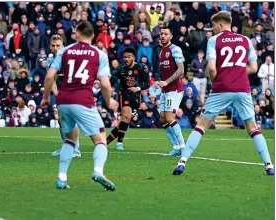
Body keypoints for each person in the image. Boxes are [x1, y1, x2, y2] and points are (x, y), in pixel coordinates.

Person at [173, 11, 274, 176]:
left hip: (221, 88)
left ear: (221, 25)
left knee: (201, 126)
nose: (212, 30)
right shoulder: (246, 40)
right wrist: (238, 73)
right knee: (253, 128)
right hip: (242, 88)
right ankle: (269, 165)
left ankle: (182, 162)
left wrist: (217, 81)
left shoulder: (214, 40)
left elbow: (211, 68)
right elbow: (254, 68)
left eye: (213, 26)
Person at [40, 21, 118, 191]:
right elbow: (105, 84)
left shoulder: (64, 51)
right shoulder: (99, 54)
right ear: (93, 36)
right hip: (83, 100)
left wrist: (46, 97)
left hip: (63, 101)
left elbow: (49, 77)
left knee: (70, 139)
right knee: (100, 140)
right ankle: (98, 171)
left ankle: (61, 177)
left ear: (76, 34)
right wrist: (109, 101)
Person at [107, 47, 149, 150]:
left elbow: (147, 83)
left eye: (129, 57)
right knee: (125, 116)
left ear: (134, 57)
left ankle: (105, 142)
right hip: (124, 94)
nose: (126, 59)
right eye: (125, 57)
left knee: (125, 121)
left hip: (136, 97)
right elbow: (111, 81)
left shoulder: (141, 67)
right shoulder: (120, 68)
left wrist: (137, 88)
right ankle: (119, 143)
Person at [48, 35, 81, 158]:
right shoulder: (50, 60)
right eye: (53, 45)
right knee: (61, 120)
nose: (56, 48)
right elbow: (52, 79)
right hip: (62, 91)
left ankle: (76, 150)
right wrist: (57, 94)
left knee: (71, 120)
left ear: (63, 46)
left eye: (58, 45)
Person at [157, 26, 186, 156]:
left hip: (174, 89)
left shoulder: (175, 49)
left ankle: (183, 147)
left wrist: (167, 82)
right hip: (165, 89)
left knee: (169, 117)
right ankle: (176, 147)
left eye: (165, 34)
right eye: (161, 34)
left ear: (171, 36)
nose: (163, 36)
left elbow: (181, 70)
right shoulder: (161, 52)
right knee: (163, 118)